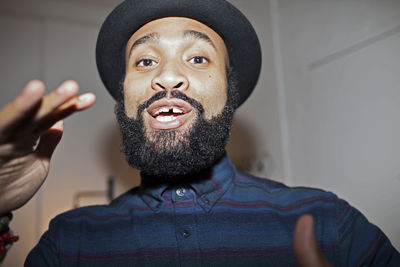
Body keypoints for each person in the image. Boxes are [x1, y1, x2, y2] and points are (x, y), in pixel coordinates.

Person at [0, 0, 398, 266]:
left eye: (197, 57)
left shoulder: (329, 222)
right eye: (144, 61)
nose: (168, 75)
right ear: (124, 94)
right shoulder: (70, 244)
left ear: (229, 90)